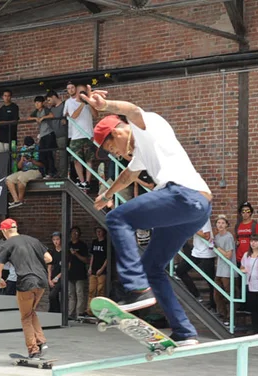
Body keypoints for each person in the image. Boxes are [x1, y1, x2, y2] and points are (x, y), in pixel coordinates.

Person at [87, 86, 212, 345]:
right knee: (153, 267)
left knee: (117, 219)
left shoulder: (148, 125)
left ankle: (135, 287)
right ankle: (184, 332)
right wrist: (108, 194)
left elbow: (132, 110)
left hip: (182, 195)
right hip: (196, 208)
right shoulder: (142, 151)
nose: (114, 153)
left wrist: (104, 106)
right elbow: (129, 175)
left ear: (117, 132)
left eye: (110, 147)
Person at [0, 218, 53, 360]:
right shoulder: (33, 240)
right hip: (41, 281)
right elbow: (49, 258)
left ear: (5, 230)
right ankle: (41, 342)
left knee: (25, 317)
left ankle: (33, 350)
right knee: (30, 312)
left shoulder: (7, 244)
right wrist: (33, 261)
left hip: (26, 282)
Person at [175, 219, 216, 305]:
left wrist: (193, 228)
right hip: (196, 252)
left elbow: (207, 236)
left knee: (210, 280)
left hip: (206, 254)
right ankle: (196, 295)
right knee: (180, 270)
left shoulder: (204, 218)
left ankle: (213, 305)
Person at [64, 84, 97, 190]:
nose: (82, 94)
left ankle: (87, 181)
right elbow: (73, 116)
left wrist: (89, 103)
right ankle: (82, 181)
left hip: (88, 134)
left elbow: (95, 115)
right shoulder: (69, 102)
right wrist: (82, 104)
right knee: (76, 160)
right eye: (80, 92)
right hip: (75, 136)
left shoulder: (88, 102)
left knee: (89, 159)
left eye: (84, 92)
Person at [213, 214, 236, 324]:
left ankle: (231, 319)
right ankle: (223, 315)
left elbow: (228, 255)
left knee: (230, 295)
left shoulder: (228, 237)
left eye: (223, 223)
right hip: (219, 270)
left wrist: (216, 247)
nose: (220, 225)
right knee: (217, 295)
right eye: (218, 223)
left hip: (228, 271)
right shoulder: (217, 237)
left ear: (227, 225)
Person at [29, 95, 57, 177]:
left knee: (49, 154)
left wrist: (43, 117)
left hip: (49, 134)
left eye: (38, 102)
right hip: (42, 135)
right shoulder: (36, 112)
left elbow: (52, 115)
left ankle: (52, 172)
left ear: (42, 103)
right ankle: (45, 172)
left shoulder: (45, 109)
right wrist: (35, 118)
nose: (37, 104)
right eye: (35, 103)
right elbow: (29, 118)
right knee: (42, 154)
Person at [67, 226, 89, 320]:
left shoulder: (82, 245)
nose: (75, 234)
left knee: (80, 294)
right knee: (71, 294)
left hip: (80, 273)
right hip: (70, 273)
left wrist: (76, 254)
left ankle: (79, 313)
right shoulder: (68, 245)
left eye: (77, 233)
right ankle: (70, 313)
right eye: (73, 233)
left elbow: (86, 260)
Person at [86, 227, 108, 315]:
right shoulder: (94, 242)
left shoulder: (106, 243)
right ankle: (89, 310)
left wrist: (102, 269)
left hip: (102, 271)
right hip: (94, 270)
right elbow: (93, 256)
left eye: (100, 231)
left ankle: (99, 311)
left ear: (103, 232)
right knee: (91, 290)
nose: (98, 233)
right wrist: (90, 267)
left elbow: (107, 258)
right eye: (97, 231)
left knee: (100, 290)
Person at [46, 91, 68, 177]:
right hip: (54, 135)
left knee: (63, 155)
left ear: (54, 97)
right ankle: (55, 173)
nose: (48, 102)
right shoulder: (51, 109)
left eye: (49, 100)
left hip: (63, 134)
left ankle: (63, 174)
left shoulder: (64, 105)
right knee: (54, 154)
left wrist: (65, 119)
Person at [0, 90, 19, 154]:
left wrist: (1, 123)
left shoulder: (14, 107)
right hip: (0, 137)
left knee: (11, 156)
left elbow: (15, 121)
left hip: (11, 137)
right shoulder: (1, 109)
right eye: (5, 96)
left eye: (8, 96)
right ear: (2, 97)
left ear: (11, 97)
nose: (6, 97)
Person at [48, 231, 63, 313]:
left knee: (52, 295)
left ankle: (58, 311)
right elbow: (49, 267)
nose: (56, 241)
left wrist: (57, 277)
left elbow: (67, 267)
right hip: (53, 276)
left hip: (61, 277)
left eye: (57, 239)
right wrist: (49, 279)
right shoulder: (52, 252)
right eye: (54, 240)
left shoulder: (65, 251)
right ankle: (54, 312)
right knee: (53, 296)